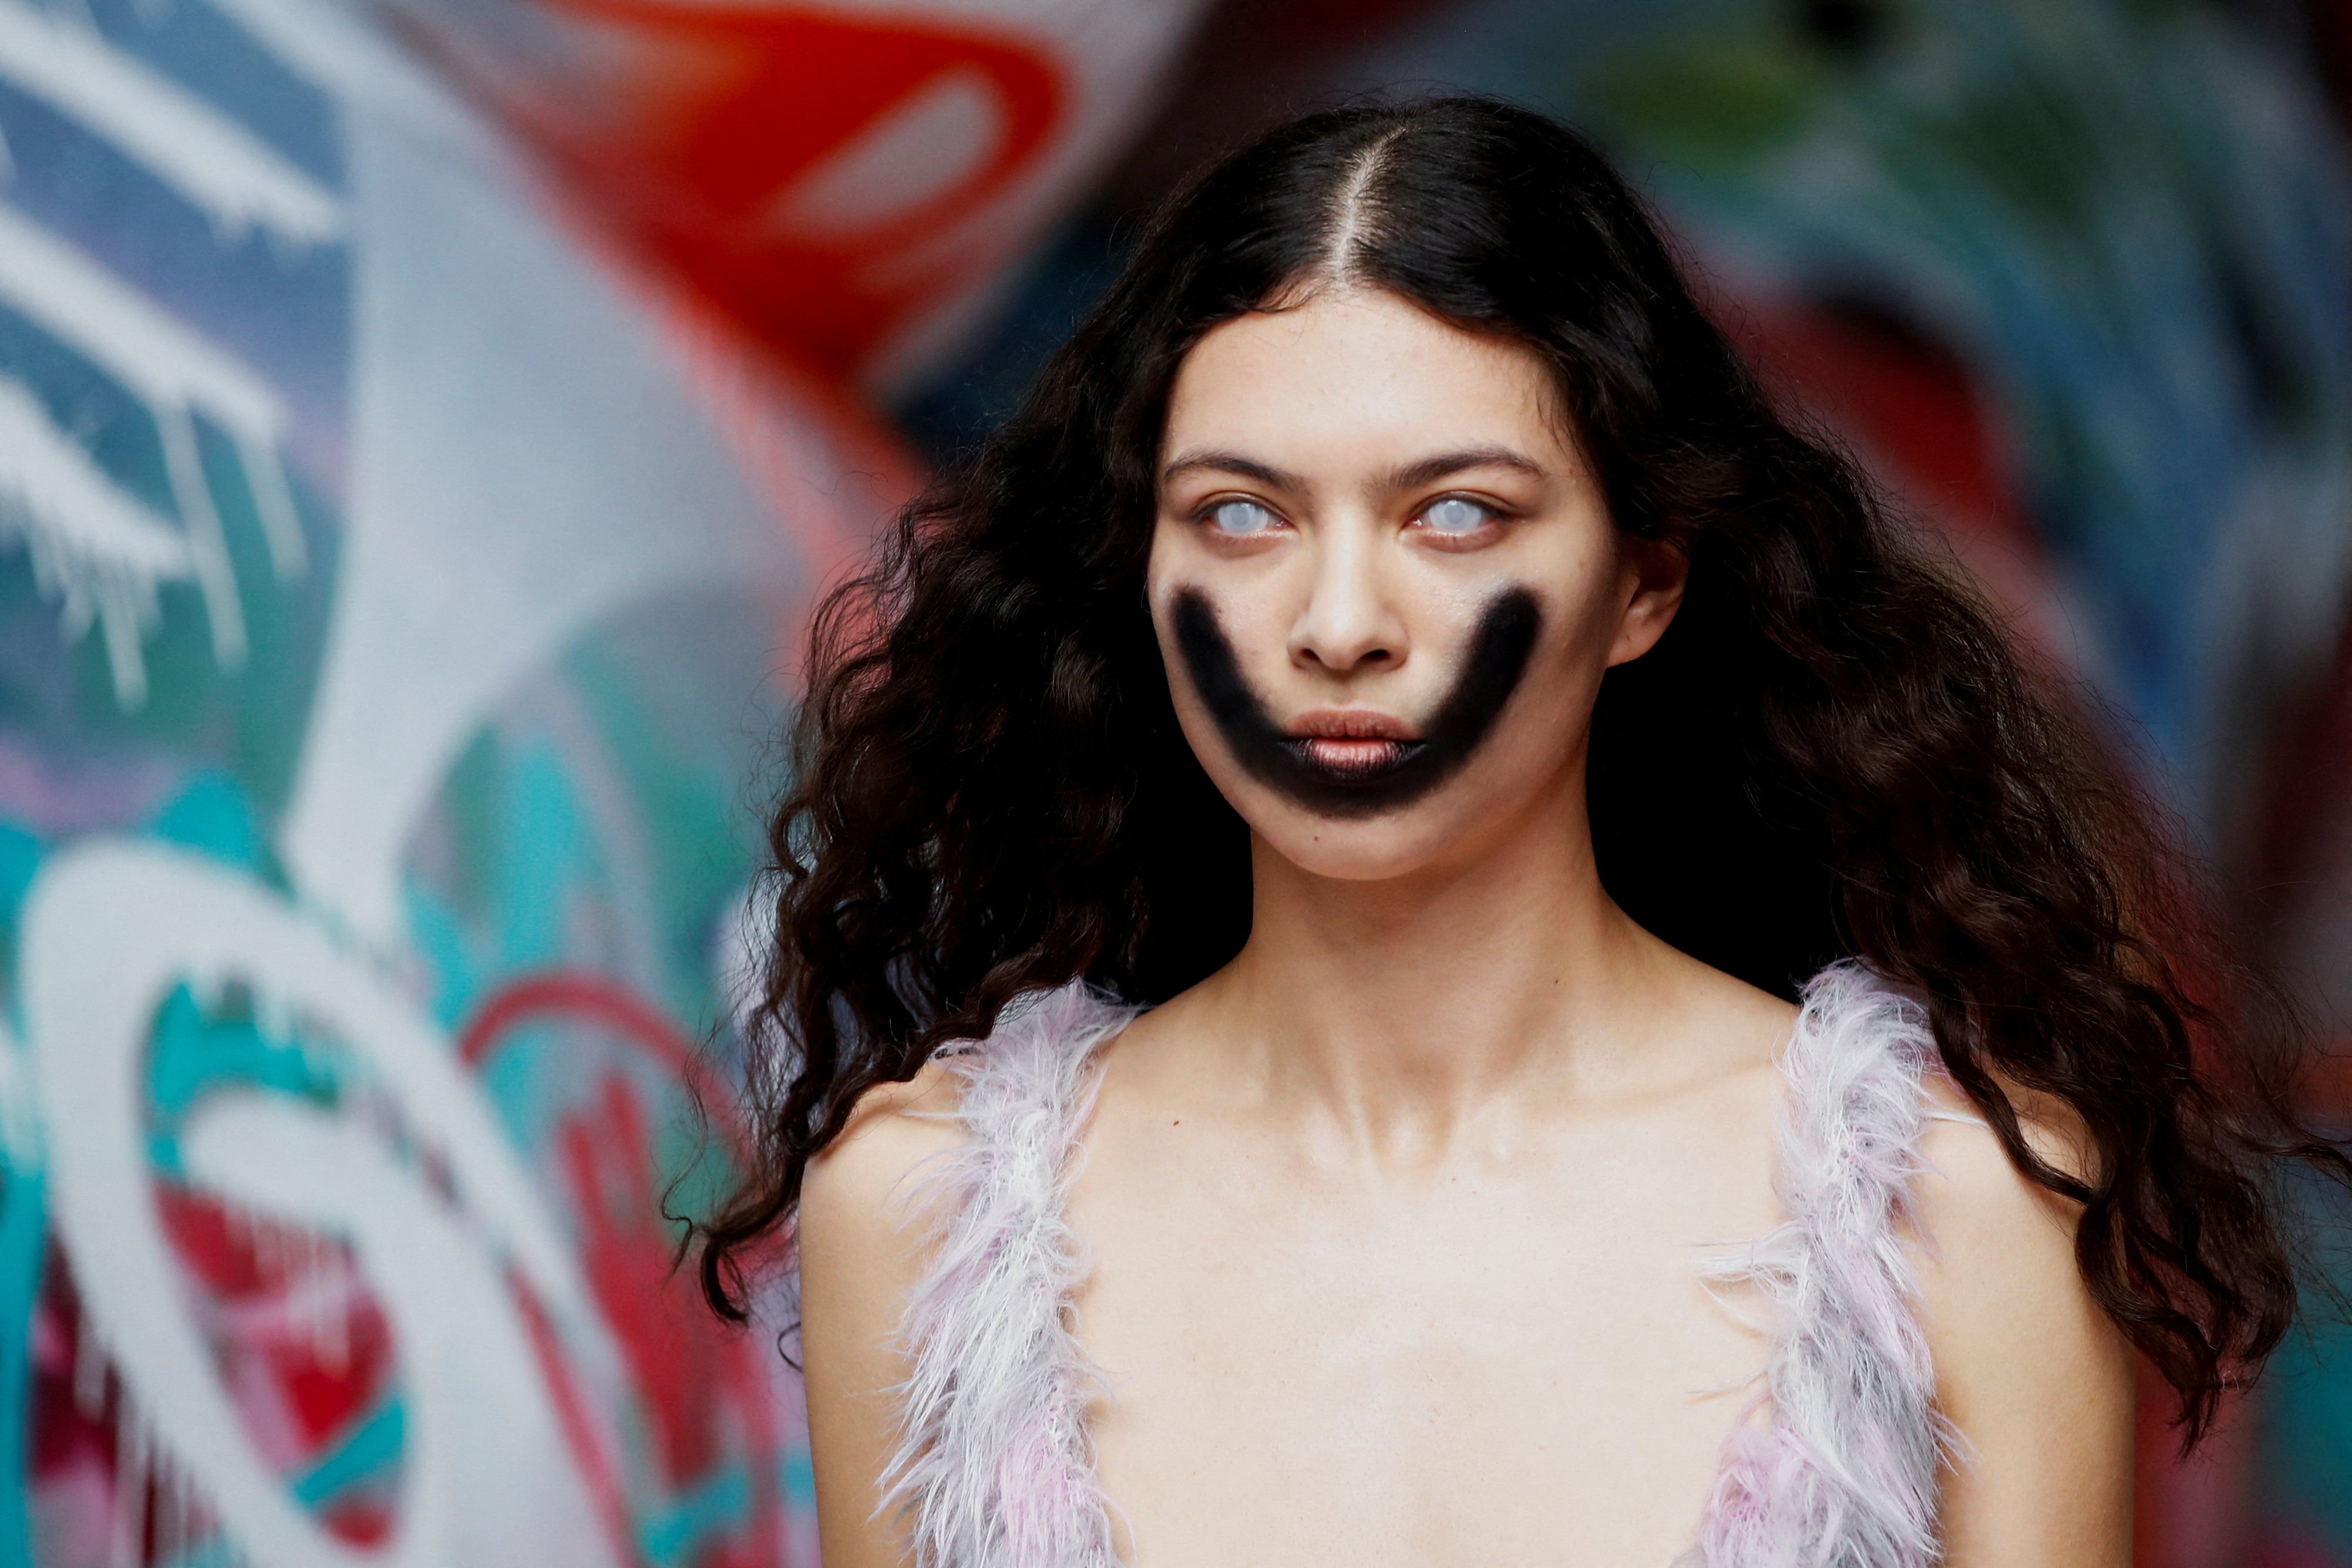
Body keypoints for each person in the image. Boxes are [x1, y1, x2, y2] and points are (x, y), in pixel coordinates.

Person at [693, 97, 2348, 1567]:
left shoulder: (1953, 1209)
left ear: (1643, 582)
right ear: (1147, 571)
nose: (1340, 620)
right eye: (1244, 516)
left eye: (1458, 513)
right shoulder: (921, 1214)